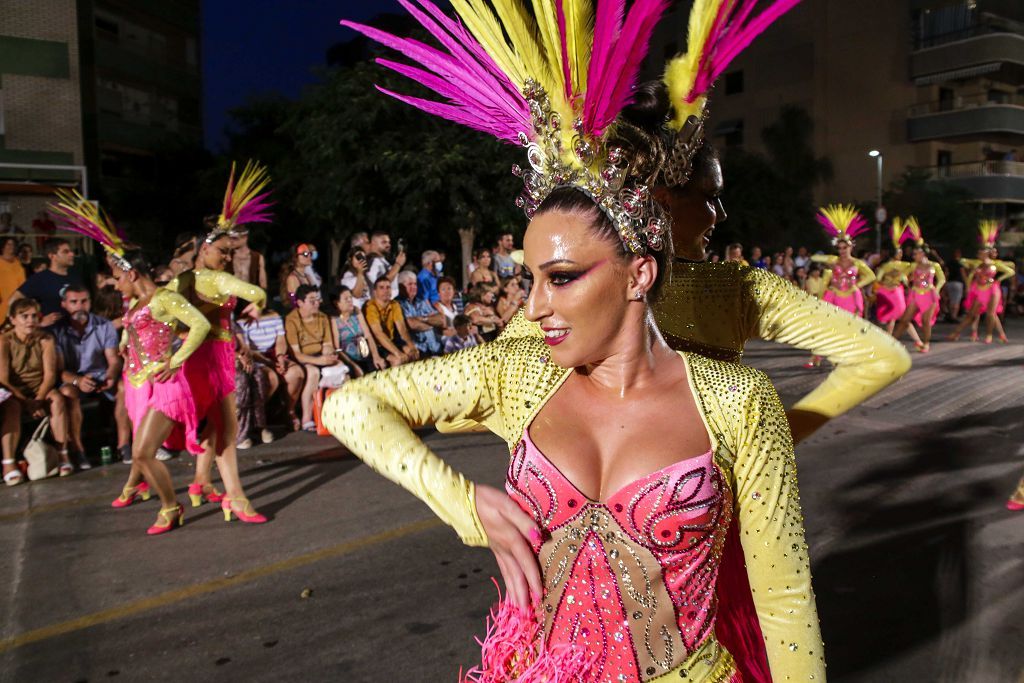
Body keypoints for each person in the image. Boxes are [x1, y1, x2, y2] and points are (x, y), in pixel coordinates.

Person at [339, 0, 827, 678]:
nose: (533, 304)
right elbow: (350, 407)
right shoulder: (516, 374)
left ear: (639, 273)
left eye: (561, 277)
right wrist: (462, 501)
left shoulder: (740, 402)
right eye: (530, 276)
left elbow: (783, 603)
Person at [166, 160, 272, 524]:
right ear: (203, 249)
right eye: (223, 252)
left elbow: (163, 314)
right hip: (210, 359)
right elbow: (257, 291)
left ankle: (199, 483)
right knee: (224, 428)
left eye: (230, 252)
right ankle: (236, 498)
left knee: (216, 426)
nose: (228, 257)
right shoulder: (212, 278)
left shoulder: (183, 280)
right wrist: (256, 304)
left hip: (208, 356)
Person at [53, 284, 125, 468]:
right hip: (74, 379)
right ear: (64, 304)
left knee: (124, 388)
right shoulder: (58, 331)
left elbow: (113, 359)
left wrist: (111, 374)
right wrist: (78, 380)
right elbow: (59, 370)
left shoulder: (104, 325)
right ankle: (78, 449)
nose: (80, 306)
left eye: (84, 301)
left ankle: (124, 444)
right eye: (74, 302)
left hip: (100, 374)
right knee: (68, 393)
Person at [0, 298, 71, 484]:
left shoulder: (45, 339)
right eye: (24, 316)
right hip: (15, 390)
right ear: (13, 319)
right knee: (11, 407)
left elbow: (49, 375)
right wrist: (27, 402)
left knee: (57, 399)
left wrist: (38, 399)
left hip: (40, 388)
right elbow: (3, 379)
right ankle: (8, 462)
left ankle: (63, 454)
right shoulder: (4, 340)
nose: (30, 320)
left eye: (33, 316)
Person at [285, 284, 344, 431]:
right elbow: (297, 353)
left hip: (320, 355)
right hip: (303, 359)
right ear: (300, 303)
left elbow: (327, 343)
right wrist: (319, 361)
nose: (317, 303)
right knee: (313, 372)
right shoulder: (292, 320)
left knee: (342, 369)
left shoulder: (322, 317)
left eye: (317, 300)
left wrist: (328, 355)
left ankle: (339, 414)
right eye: (312, 300)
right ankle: (307, 418)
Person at [238, 308, 305, 433]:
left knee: (296, 373)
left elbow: (281, 339)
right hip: (256, 358)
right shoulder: (242, 321)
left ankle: (289, 411)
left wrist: (280, 357)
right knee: (270, 378)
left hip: (273, 354)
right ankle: (257, 418)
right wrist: (269, 363)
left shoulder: (274, 316)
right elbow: (247, 349)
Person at [948, 221, 1015, 343]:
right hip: (979, 289)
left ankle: (989, 336)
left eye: (981, 252)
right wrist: (972, 268)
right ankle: (956, 333)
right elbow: (961, 261)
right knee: (971, 315)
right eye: (979, 252)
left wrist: (998, 280)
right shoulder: (976, 263)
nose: (978, 253)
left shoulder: (995, 264)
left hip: (992, 289)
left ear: (987, 253)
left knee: (991, 313)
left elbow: (1010, 271)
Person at [811, 205, 876, 318]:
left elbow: (871, 276)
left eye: (844, 247)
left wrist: (857, 285)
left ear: (851, 247)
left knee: (851, 325)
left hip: (851, 296)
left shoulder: (857, 263)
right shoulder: (834, 259)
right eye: (839, 248)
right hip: (834, 295)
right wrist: (828, 262)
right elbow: (813, 258)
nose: (842, 251)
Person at [891, 220, 945, 353]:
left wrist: (937, 289)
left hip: (929, 294)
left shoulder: (934, 266)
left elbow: (942, 279)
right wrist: (903, 281)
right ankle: (891, 343)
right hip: (915, 294)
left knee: (926, 321)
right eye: (913, 254)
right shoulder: (913, 266)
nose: (913, 256)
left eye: (916, 254)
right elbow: (903, 274)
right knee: (904, 320)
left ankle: (926, 343)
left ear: (923, 254)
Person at [9, 238, 81, 326]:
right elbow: (13, 301)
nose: (72, 254)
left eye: (71, 251)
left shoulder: (76, 277)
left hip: (74, 333)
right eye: (65, 252)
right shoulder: (40, 279)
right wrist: (38, 323)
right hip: (50, 335)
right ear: (52, 256)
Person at [364, 276, 418, 367]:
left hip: (392, 340)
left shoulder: (394, 304)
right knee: (398, 360)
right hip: (377, 345)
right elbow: (378, 334)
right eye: (381, 288)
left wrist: (412, 347)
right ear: (374, 292)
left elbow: (402, 329)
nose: (386, 290)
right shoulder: (370, 307)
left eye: (388, 287)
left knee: (412, 353)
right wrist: (397, 353)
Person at [332, 286, 385, 374]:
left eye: (350, 298)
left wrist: (376, 356)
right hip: (349, 358)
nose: (350, 301)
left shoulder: (357, 312)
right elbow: (337, 348)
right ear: (337, 303)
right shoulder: (334, 320)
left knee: (379, 366)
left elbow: (368, 335)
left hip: (366, 353)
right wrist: (353, 365)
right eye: (346, 299)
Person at [396, 271, 444, 357]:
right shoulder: (397, 304)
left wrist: (423, 319)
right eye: (410, 284)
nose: (414, 287)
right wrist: (431, 323)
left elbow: (441, 319)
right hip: (419, 352)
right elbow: (411, 324)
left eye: (415, 284)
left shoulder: (421, 302)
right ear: (400, 286)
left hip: (436, 349)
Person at [366, 230, 406, 299]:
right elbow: (381, 284)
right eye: (384, 242)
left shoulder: (382, 260)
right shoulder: (373, 261)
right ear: (373, 244)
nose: (388, 245)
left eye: (388, 242)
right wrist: (398, 264)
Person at [228, 226, 268, 290]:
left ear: (245, 238)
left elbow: (263, 282)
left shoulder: (257, 257)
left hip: (250, 296)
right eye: (230, 238)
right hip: (230, 295)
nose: (231, 241)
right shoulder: (227, 256)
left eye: (235, 238)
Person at [281, 243, 318, 308]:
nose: (309, 256)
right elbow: (294, 302)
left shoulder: (307, 276)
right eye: (305, 254)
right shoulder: (292, 278)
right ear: (295, 257)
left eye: (310, 253)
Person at [0, 236, 26, 321]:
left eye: (13, 244)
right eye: (8, 244)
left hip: (18, 301)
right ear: (2, 246)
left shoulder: (18, 263)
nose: (11, 246)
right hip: (3, 301)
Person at [944, 247, 965, 322]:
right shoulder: (960, 263)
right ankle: (954, 316)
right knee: (956, 300)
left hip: (950, 282)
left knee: (951, 299)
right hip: (958, 283)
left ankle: (950, 314)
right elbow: (963, 273)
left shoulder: (948, 263)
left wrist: (945, 283)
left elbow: (946, 273)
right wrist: (965, 283)